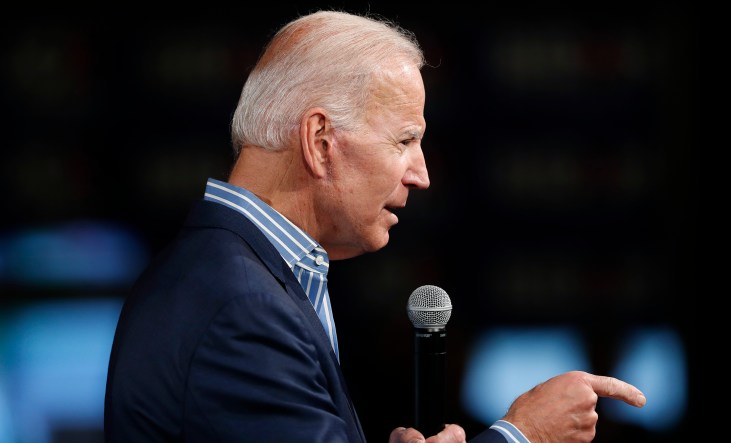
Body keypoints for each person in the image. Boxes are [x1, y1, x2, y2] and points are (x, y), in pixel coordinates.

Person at [104, 9, 646, 443]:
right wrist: (523, 435)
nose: (423, 174)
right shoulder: (242, 306)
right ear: (320, 142)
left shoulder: (227, 276)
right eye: (404, 140)